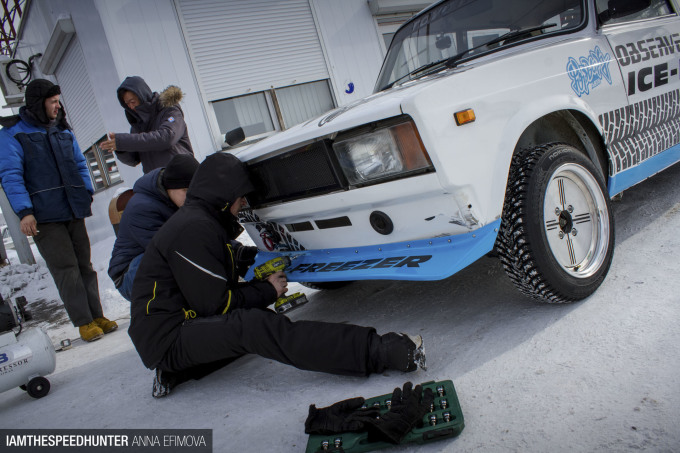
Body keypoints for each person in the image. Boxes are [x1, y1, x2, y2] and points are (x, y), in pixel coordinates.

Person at [128, 152, 425, 398]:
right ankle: (377, 351)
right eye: (241, 197)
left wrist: (263, 259)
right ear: (223, 194)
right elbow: (215, 306)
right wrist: (267, 291)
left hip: (178, 326)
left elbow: (226, 255)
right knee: (253, 327)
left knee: (246, 329)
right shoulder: (193, 227)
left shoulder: (201, 222)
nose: (244, 204)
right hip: (168, 336)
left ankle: (179, 370)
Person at [0, 79, 117, 342]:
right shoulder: (13, 134)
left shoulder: (62, 130)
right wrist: (24, 211)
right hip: (43, 215)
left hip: (72, 208)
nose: (57, 106)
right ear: (38, 104)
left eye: (57, 101)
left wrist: (85, 191)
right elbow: (11, 175)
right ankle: (84, 322)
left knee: (84, 266)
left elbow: (79, 163)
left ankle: (97, 315)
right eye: (52, 102)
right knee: (66, 269)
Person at [108, 154, 200, 301]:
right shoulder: (142, 208)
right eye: (185, 190)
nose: (190, 196)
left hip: (153, 262)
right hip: (129, 276)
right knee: (179, 259)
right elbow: (171, 249)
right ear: (170, 186)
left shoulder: (177, 201)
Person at [99, 76, 193, 174]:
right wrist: (120, 147)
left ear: (142, 95)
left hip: (182, 176)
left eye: (133, 102)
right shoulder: (138, 125)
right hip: (158, 182)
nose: (131, 107)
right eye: (127, 104)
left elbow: (167, 137)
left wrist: (124, 141)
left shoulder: (170, 110)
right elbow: (133, 160)